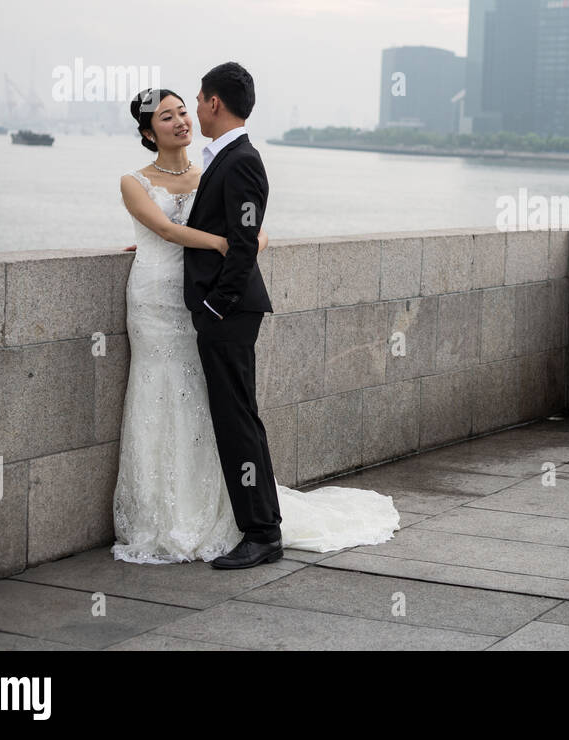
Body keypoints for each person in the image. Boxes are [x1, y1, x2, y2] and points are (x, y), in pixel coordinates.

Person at [111, 72, 398, 568]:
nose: (184, 117)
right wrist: (168, 243)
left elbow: (247, 236)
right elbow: (169, 228)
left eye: (188, 107)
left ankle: (255, 529)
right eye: (169, 115)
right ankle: (201, 516)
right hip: (160, 301)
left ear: (211, 105)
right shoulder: (186, 167)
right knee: (191, 406)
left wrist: (221, 281)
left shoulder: (233, 162)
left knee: (232, 415)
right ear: (147, 131)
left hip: (217, 308)